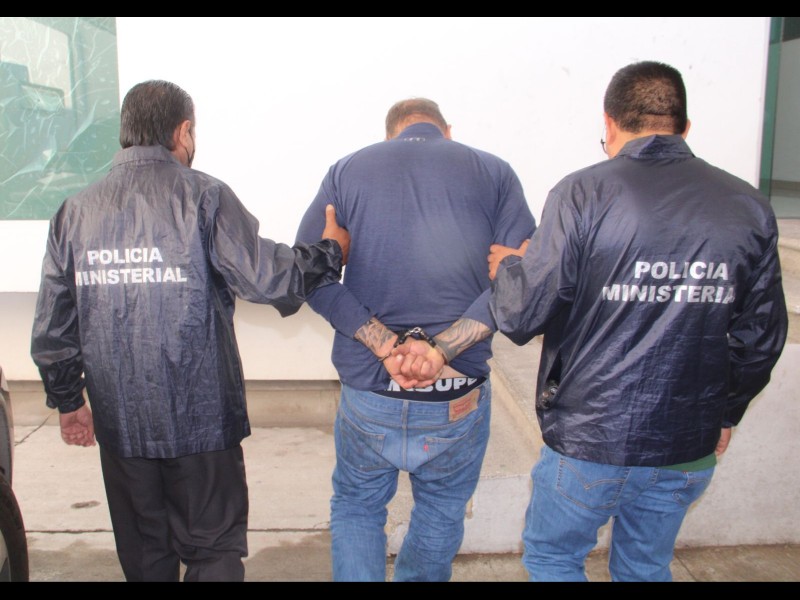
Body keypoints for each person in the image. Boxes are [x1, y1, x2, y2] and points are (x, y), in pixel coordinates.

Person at [396, 60, 789, 582]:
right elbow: (761, 338)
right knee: (645, 566)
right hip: (685, 441)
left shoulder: (582, 194)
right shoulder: (748, 205)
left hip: (591, 437)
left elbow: (522, 311)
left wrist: (510, 267)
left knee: (554, 560)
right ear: (685, 127)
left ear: (609, 123)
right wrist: (726, 413)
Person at [29, 80, 350, 582]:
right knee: (212, 552)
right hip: (203, 422)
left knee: (145, 558)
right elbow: (267, 277)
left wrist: (69, 401)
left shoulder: (74, 212)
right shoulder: (204, 196)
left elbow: (53, 329)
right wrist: (331, 251)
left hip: (122, 425)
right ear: (183, 132)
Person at [294, 98, 536, 581]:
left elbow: (308, 275)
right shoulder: (495, 172)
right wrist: (440, 351)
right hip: (456, 393)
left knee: (358, 507)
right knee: (441, 511)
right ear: (448, 131)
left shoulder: (347, 172)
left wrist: (386, 346)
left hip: (372, 390)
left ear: (389, 136)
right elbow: (520, 282)